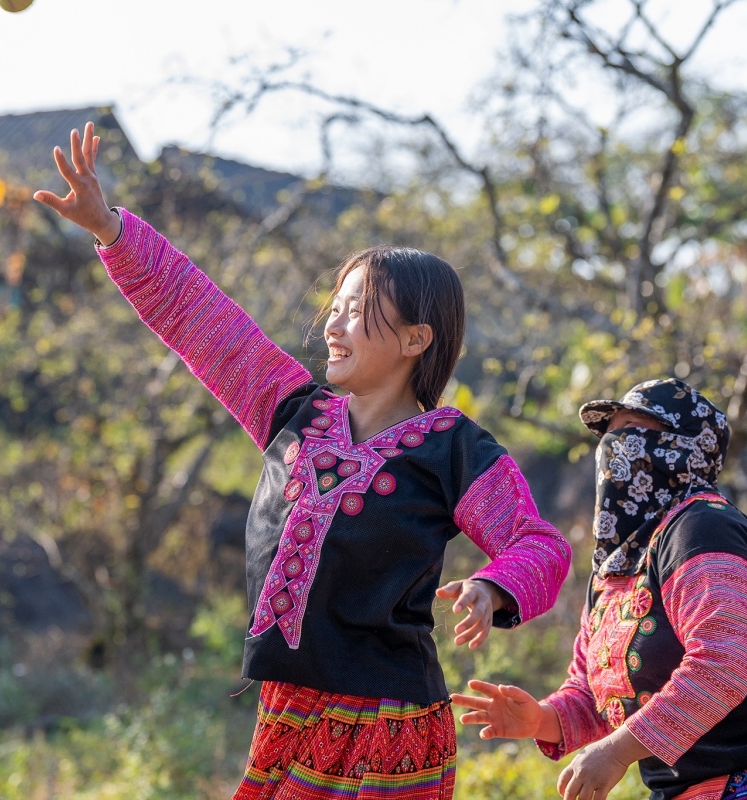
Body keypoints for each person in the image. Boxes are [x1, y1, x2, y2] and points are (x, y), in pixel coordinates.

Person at [33, 123, 572, 799]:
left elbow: (537, 544)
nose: (334, 326)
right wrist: (112, 229)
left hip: (389, 725)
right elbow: (204, 320)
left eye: (358, 311)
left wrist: (494, 587)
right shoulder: (290, 410)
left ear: (415, 338)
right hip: (289, 708)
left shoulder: (455, 447)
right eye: (335, 308)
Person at [452, 379, 747, 800]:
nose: (612, 447)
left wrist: (616, 752)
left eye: (632, 432)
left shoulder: (703, 528)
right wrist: (542, 719)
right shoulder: (616, 564)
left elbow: (722, 667)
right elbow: (595, 692)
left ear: (683, 450)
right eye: (610, 434)